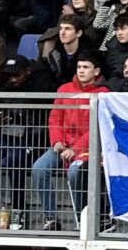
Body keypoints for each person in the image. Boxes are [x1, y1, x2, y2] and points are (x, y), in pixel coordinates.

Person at [29, 54, 105, 230]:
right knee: (39, 168)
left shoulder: (103, 93)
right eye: (79, 67)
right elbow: (55, 117)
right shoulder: (64, 89)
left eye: (86, 67)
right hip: (63, 145)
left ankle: (82, 220)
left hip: (90, 147)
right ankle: (51, 219)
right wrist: (57, 141)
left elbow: (97, 126)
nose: (81, 70)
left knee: (74, 172)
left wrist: (77, 148)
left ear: (97, 71)